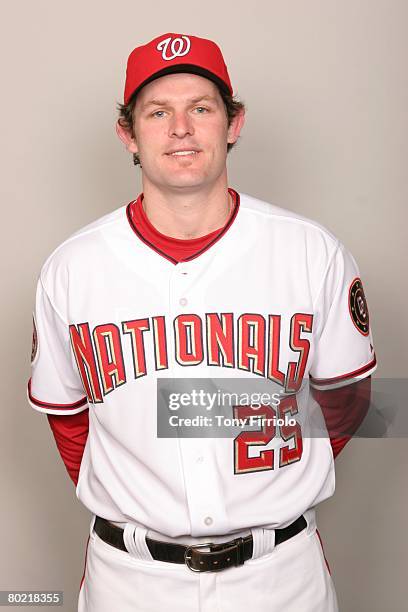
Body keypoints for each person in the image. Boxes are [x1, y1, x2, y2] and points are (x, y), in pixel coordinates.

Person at [27, 32, 377, 612]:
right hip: (130, 580)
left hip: (280, 577)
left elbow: (347, 402)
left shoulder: (311, 251)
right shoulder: (72, 267)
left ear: (233, 124)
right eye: (158, 112)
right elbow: (69, 423)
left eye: (201, 108)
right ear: (128, 134)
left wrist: (274, 484)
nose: (181, 128)